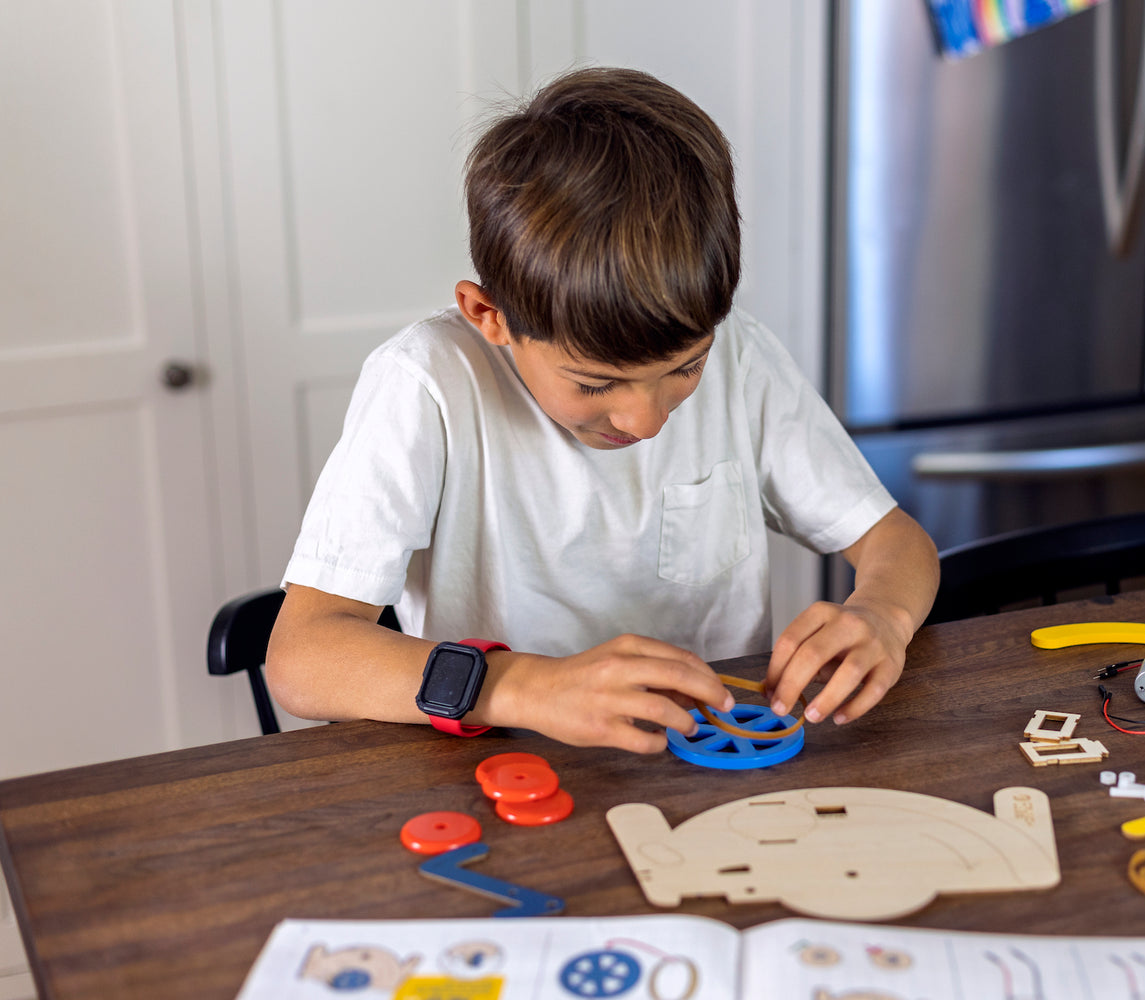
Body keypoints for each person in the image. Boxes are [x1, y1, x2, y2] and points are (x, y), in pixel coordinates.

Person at [265, 67, 939, 753]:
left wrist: (883, 614)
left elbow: (895, 542)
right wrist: (524, 686)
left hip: (711, 766)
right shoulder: (428, 384)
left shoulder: (743, 358)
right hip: (503, 775)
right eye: (594, 384)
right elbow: (302, 657)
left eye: (685, 367)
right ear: (489, 316)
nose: (647, 422)